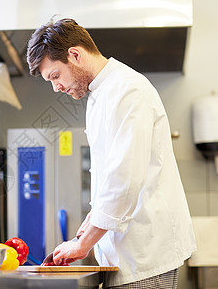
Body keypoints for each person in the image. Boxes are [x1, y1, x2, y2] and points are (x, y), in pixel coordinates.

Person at [26, 17, 196, 288]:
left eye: (55, 76)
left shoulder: (127, 90)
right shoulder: (100, 94)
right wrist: (85, 229)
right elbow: (109, 180)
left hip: (145, 256)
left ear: (75, 55)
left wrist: (83, 244)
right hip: (127, 254)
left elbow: (124, 180)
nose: (56, 87)